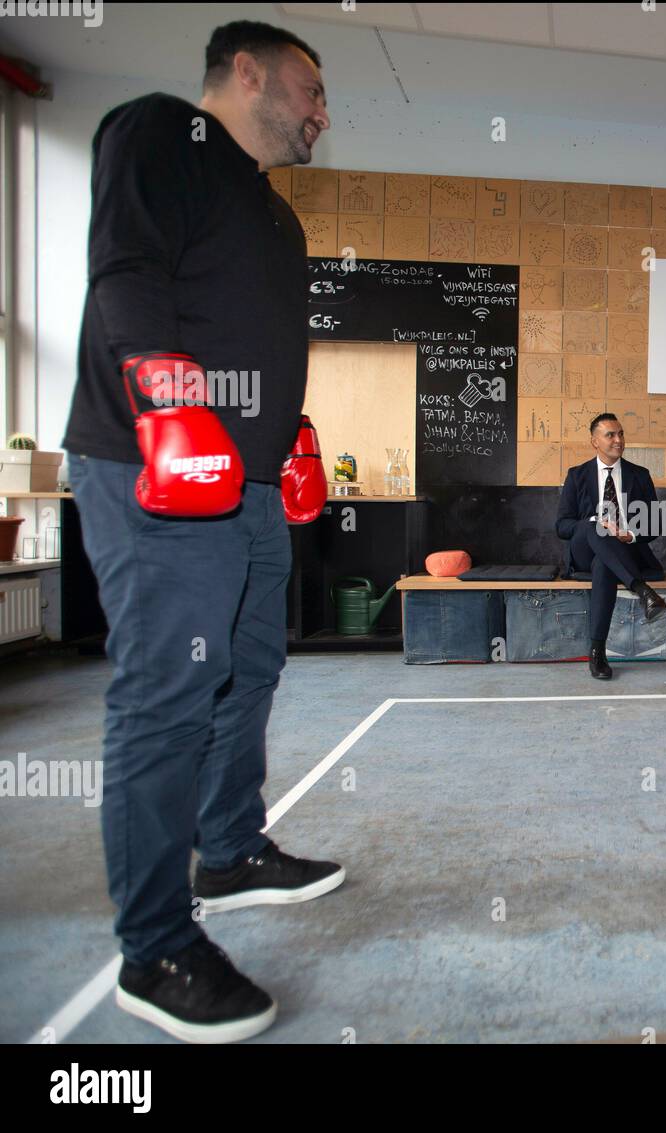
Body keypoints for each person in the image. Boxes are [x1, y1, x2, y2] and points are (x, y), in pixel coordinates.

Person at [61, 21, 340, 1044]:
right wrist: (168, 395)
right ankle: (156, 946)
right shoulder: (157, 134)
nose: (321, 112)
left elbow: (251, 338)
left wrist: (289, 431)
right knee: (168, 693)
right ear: (249, 69)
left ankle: (228, 847)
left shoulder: (276, 217)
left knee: (252, 665)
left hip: (250, 481)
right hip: (154, 462)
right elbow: (126, 270)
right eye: (310, 89)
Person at [555, 413, 666, 680]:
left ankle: (597, 652)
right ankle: (642, 590)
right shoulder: (577, 475)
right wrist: (596, 524)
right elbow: (562, 526)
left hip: (624, 552)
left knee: (603, 565)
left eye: (621, 434)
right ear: (595, 441)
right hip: (584, 549)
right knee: (592, 526)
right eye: (610, 435)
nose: (618, 440)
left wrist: (629, 535)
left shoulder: (640, 475)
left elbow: (655, 526)